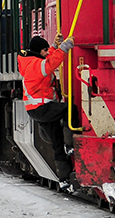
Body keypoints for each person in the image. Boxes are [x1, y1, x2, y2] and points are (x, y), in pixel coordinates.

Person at [18, 35, 75, 179]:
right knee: (70, 109)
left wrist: (54, 47)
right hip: (42, 108)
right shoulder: (35, 65)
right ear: (39, 51)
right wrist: (63, 49)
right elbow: (50, 64)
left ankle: (64, 178)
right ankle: (70, 143)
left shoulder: (30, 62)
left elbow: (46, 57)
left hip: (37, 109)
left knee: (57, 141)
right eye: (45, 49)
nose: (46, 52)